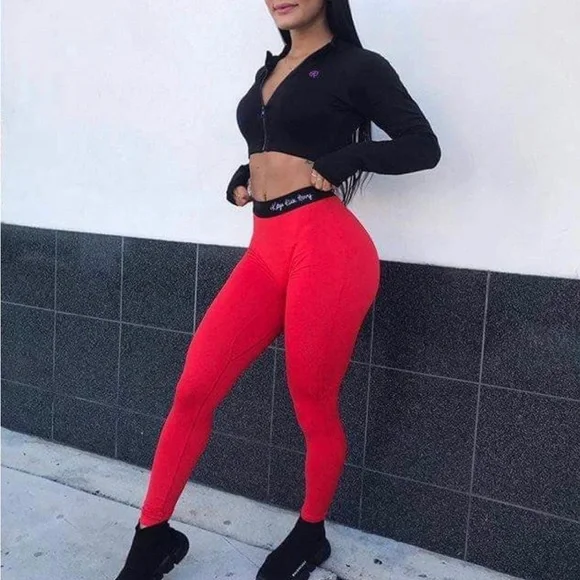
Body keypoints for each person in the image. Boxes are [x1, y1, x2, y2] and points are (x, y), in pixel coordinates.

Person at [114, 0, 441, 578]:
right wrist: (248, 173)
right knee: (193, 389)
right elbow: (274, 146)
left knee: (311, 400)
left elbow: (423, 145)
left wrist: (347, 158)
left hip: (328, 250)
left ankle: (311, 533)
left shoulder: (358, 66)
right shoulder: (269, 70)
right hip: (265, 248)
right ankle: (151, 537)